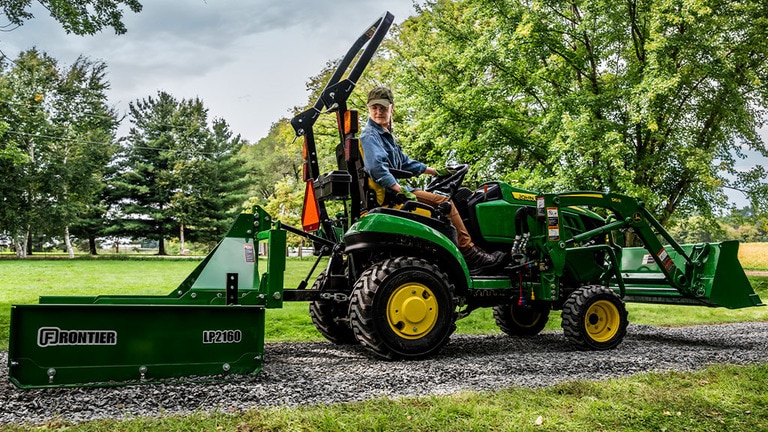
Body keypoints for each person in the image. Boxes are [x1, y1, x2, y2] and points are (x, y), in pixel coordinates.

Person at [359, 86, 505, 271]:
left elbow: (405, 163)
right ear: (369, 109)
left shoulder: (384, 136)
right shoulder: (371, 136)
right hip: (392, 195)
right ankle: (470, 252)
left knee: (442, 200)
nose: (379, 112)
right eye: (374, 108)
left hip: (394, 192)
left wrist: (437, 172)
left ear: (391, 107)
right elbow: (376, 168)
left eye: (383, 107)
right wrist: (400, 190)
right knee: (446, 203)